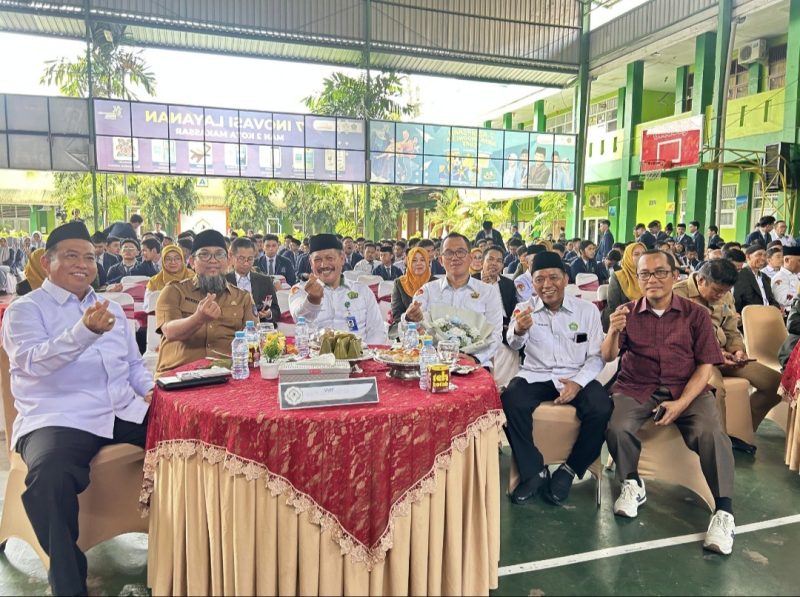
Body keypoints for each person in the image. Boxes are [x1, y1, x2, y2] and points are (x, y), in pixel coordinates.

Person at [3, 221, 152, 595]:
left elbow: (134, 366)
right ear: (46, 261)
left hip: (122, 410)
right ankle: (69, 584)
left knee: (198, 439)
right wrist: (84, 332)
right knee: (48, 479)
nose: (83, 264)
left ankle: (190, 551)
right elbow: (33, 361)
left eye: (89, 256)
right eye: (71, 255)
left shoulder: (111, 306)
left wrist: (151, 394)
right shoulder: (26, 310)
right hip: (58, 417)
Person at [602, 250, 735, 555]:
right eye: (645, 274)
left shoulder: (696, 314)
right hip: (637, 384)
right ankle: (633, 482)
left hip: (686, 387)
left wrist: (680, 403)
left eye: (660, 272)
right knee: (616, 424)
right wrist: (612, 330)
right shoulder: (626, 312)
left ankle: (724, 511)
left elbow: (705, 366)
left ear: (676, 276)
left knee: (710, 432)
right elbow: (608, 355)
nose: (653, 280)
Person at [502, 251, 611, 505]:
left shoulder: (587, 311)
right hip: (536, 375)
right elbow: (513, 343)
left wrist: (578, 383)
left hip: (576, 374)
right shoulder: (523, 309)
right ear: (532, 282)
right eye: (539, 279)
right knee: (509, 401)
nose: (546, 285)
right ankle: (533, 471)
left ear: (565, 278)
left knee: (602, 407)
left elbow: (597, 356)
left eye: (553, 277)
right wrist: (519, 328)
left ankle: (570, 469)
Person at [673, 259, 781, 443]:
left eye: (725, 291)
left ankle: (742, 432)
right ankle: (718, 443)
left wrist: (738, 350)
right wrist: (716, 355)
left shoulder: (725, 296)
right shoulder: (677, 294)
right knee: (714, 388)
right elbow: (679, 338)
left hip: (726, 356)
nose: (720, 295)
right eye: (716, 290)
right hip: (696, 360)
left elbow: (731, 330)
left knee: (775, 383)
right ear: (700, 280)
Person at [155, 229, 254, 373]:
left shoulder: (242, 297)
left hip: (227, 375)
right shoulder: (174, 291)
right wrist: (198, 319)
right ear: (191, 262)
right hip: (178, 376)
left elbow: (254, 338)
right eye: (204, 254)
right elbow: (169, 331)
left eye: (219, 254)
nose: (213, 260)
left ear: (229, 261)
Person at [403, 232, 503, 368]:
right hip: (434, 363)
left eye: (460, 252)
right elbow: (408, 328)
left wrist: (475, 358)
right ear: (440, 260)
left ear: (470, 258)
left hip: (476, 364)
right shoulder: (427, 291)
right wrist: (410, 318)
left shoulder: (488, 292)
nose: (455, 258)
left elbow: (496, 335)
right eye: (449, 253)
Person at [289, 234, 386, 345]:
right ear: (311, 264)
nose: (324, 265)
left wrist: (365, 357)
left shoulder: (363, 291)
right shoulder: (300, 290)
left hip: (356, 357)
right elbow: (298, 315)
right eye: (317, 260)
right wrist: (312, 300)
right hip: (316, 359)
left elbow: (377, 332)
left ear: (342, 259)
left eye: (329, 258)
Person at [226, 237, 280, 326]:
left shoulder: (265, 281)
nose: (246, 263)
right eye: (241, 258)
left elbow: (276, 310)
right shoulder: (225, 281)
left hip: (258, 330)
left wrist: (269, 314)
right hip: (230, 332)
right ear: (232, 257)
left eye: (250, 259)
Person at [602, 242, 646, 331]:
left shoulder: (650, 276)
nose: (641, 257)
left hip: (644, 320)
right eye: (636, 254)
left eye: (644, 254)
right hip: (620, 320)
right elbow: (614, 305)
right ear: (628, 257)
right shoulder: (618, 276)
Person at [144, 244, 194, 312]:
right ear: (163, 261)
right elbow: (147, 307)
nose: (173, 262)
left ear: (182, 260)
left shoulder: (192, 277)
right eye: (168, 259)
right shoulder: (154, 281)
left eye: (177, 258)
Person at [391, 247, 433, 327]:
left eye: (422, 260)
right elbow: (397, 316)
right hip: (408, 330)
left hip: (432, 330)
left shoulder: (435, 283)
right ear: (409, 262)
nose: (419, 263)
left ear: (427, 262)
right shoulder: (399, 283)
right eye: (414, 260)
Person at [733, 245, 781, 313]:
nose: (763, 258)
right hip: (751, 316)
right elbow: (737, 301)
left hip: (768, 315)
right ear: (748, 257)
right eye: (759, 254)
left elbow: (771, 299)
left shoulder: (765, 277)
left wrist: (777, 309)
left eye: (765, 255)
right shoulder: (740, 276)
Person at [771, 246, 800, 312]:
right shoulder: (779, 277)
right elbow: (784, 299)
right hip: (790, 316)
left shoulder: (796, 275)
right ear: (787, 260)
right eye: (799, 261)